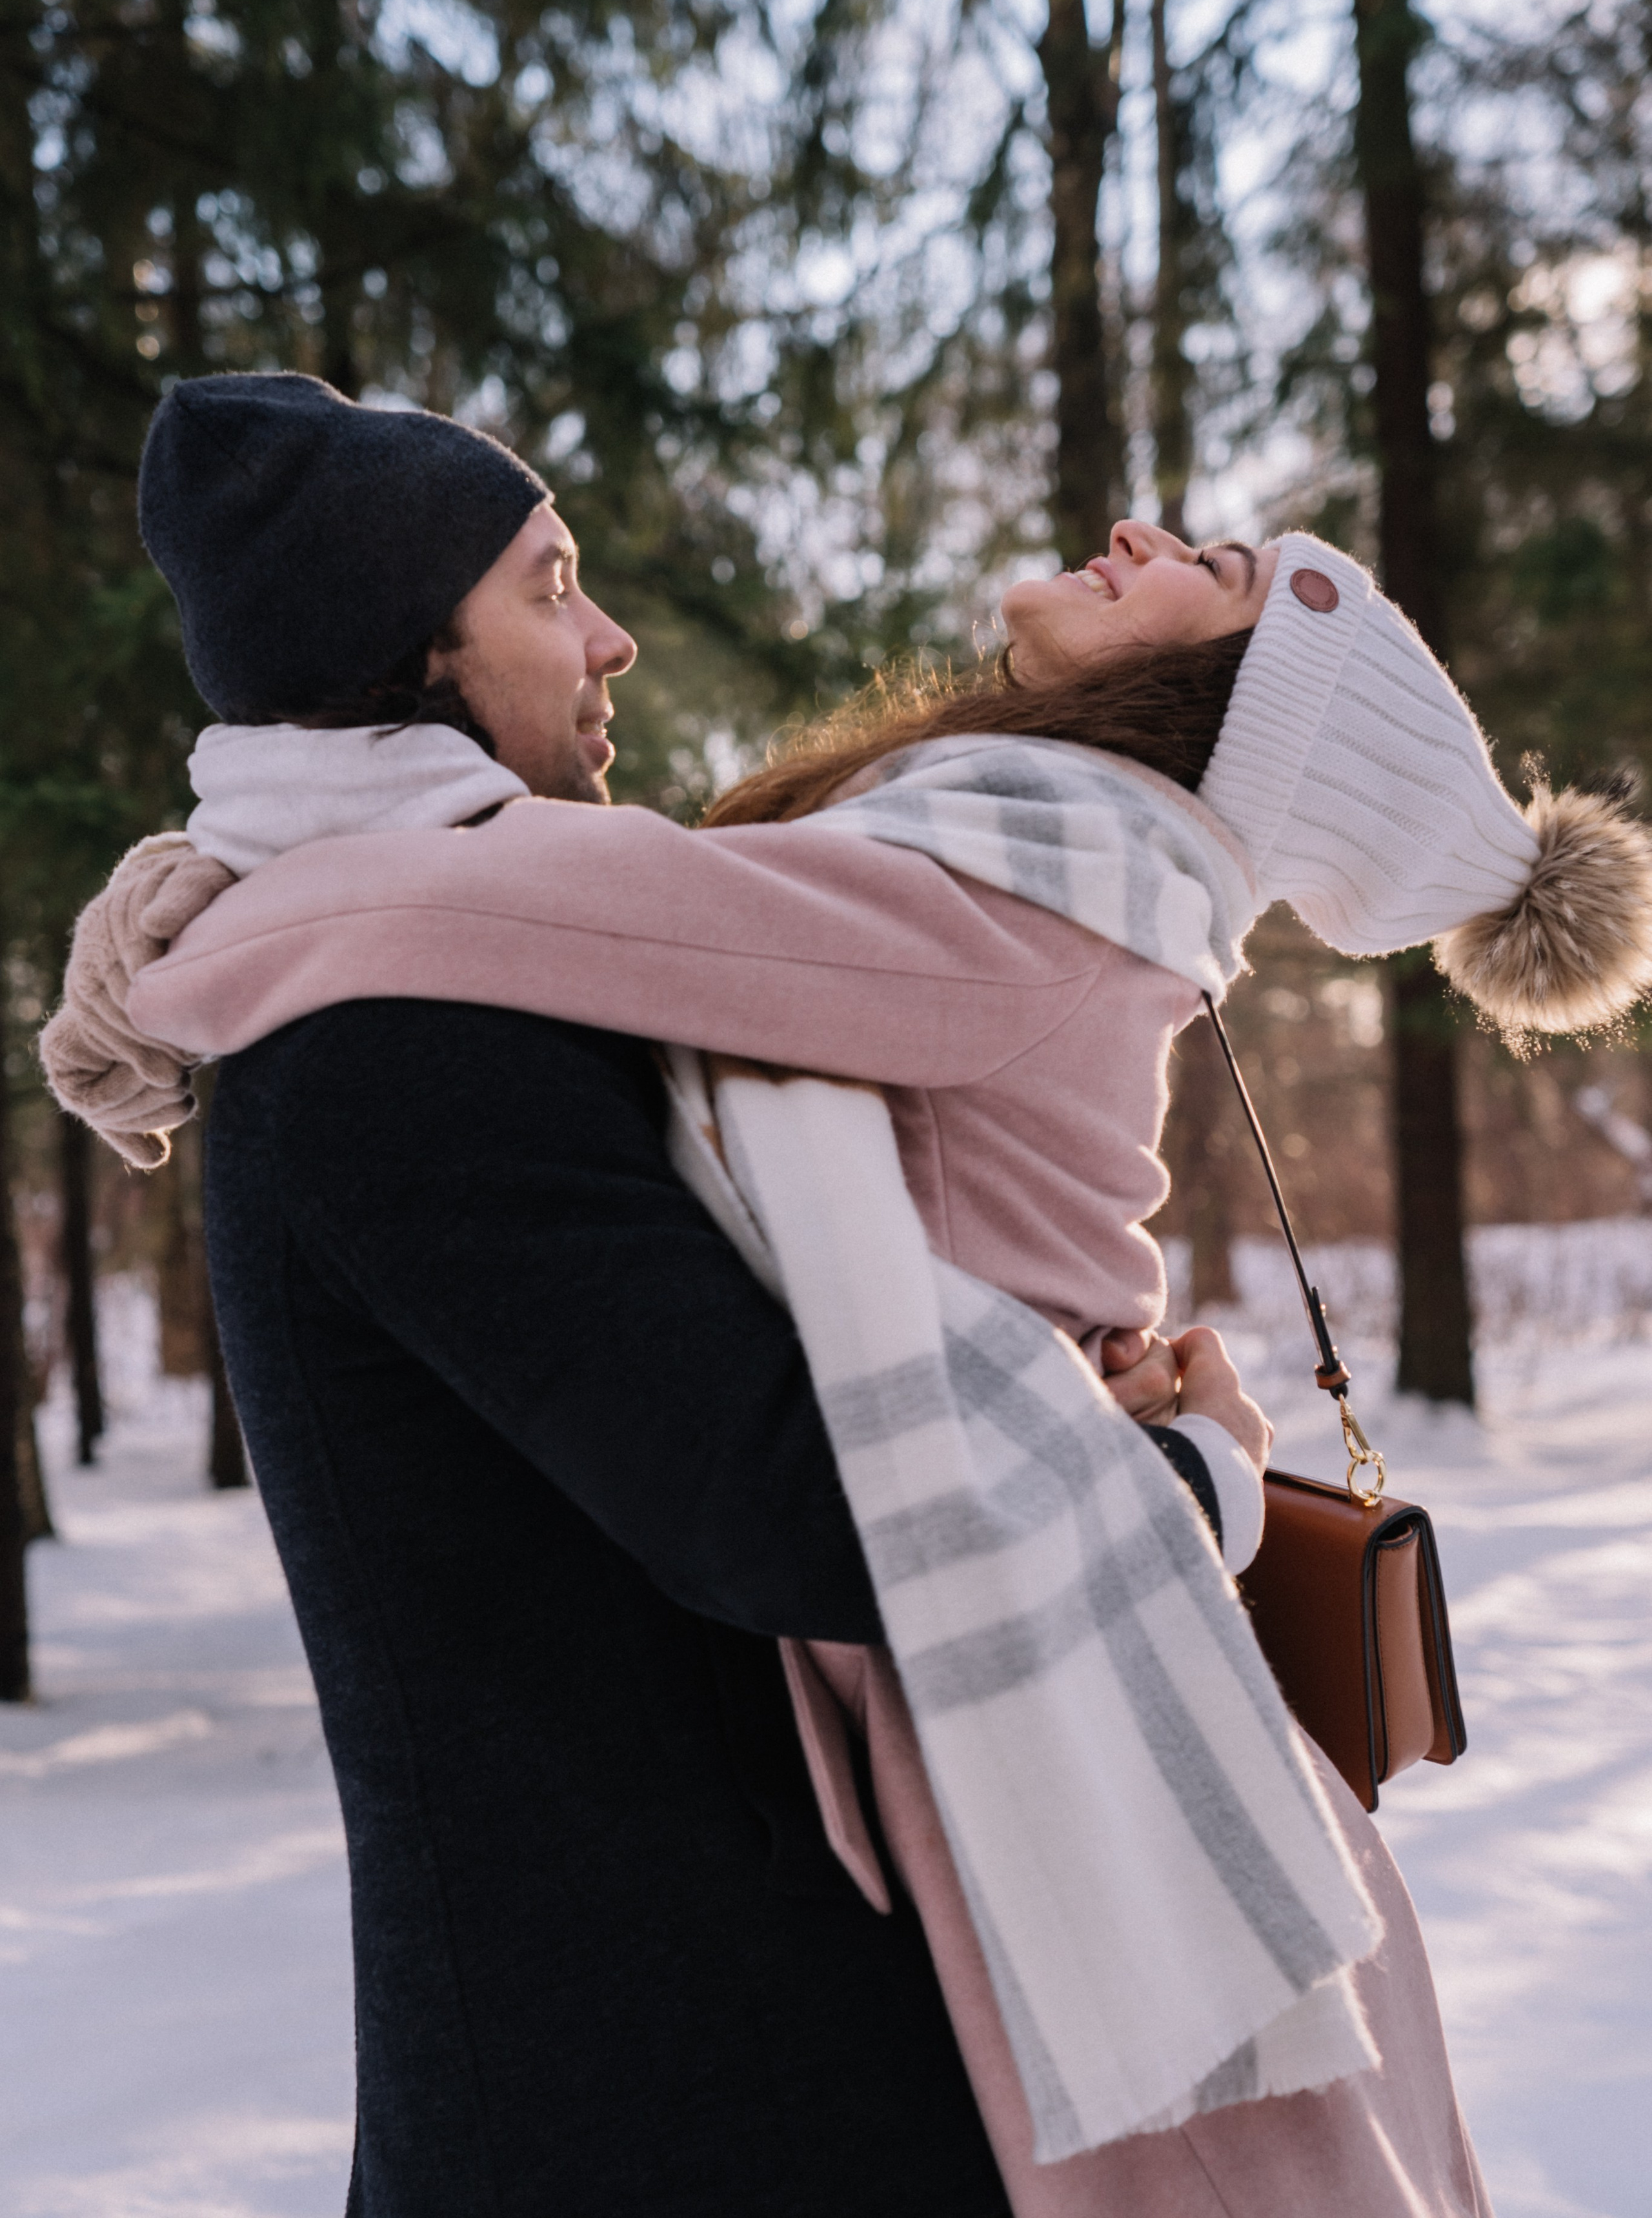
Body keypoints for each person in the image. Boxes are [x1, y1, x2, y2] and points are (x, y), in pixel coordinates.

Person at [44, 372, 1652, 2213]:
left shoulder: (998, 894)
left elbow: (652, 919)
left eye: (1209, 572)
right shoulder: (393, 1043)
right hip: (631, 2066)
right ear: (415, 651)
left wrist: (199, 911)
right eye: (552, 588)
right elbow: (777, 1490)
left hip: (798, 1979)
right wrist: (1184, 1468)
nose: (614, 636)